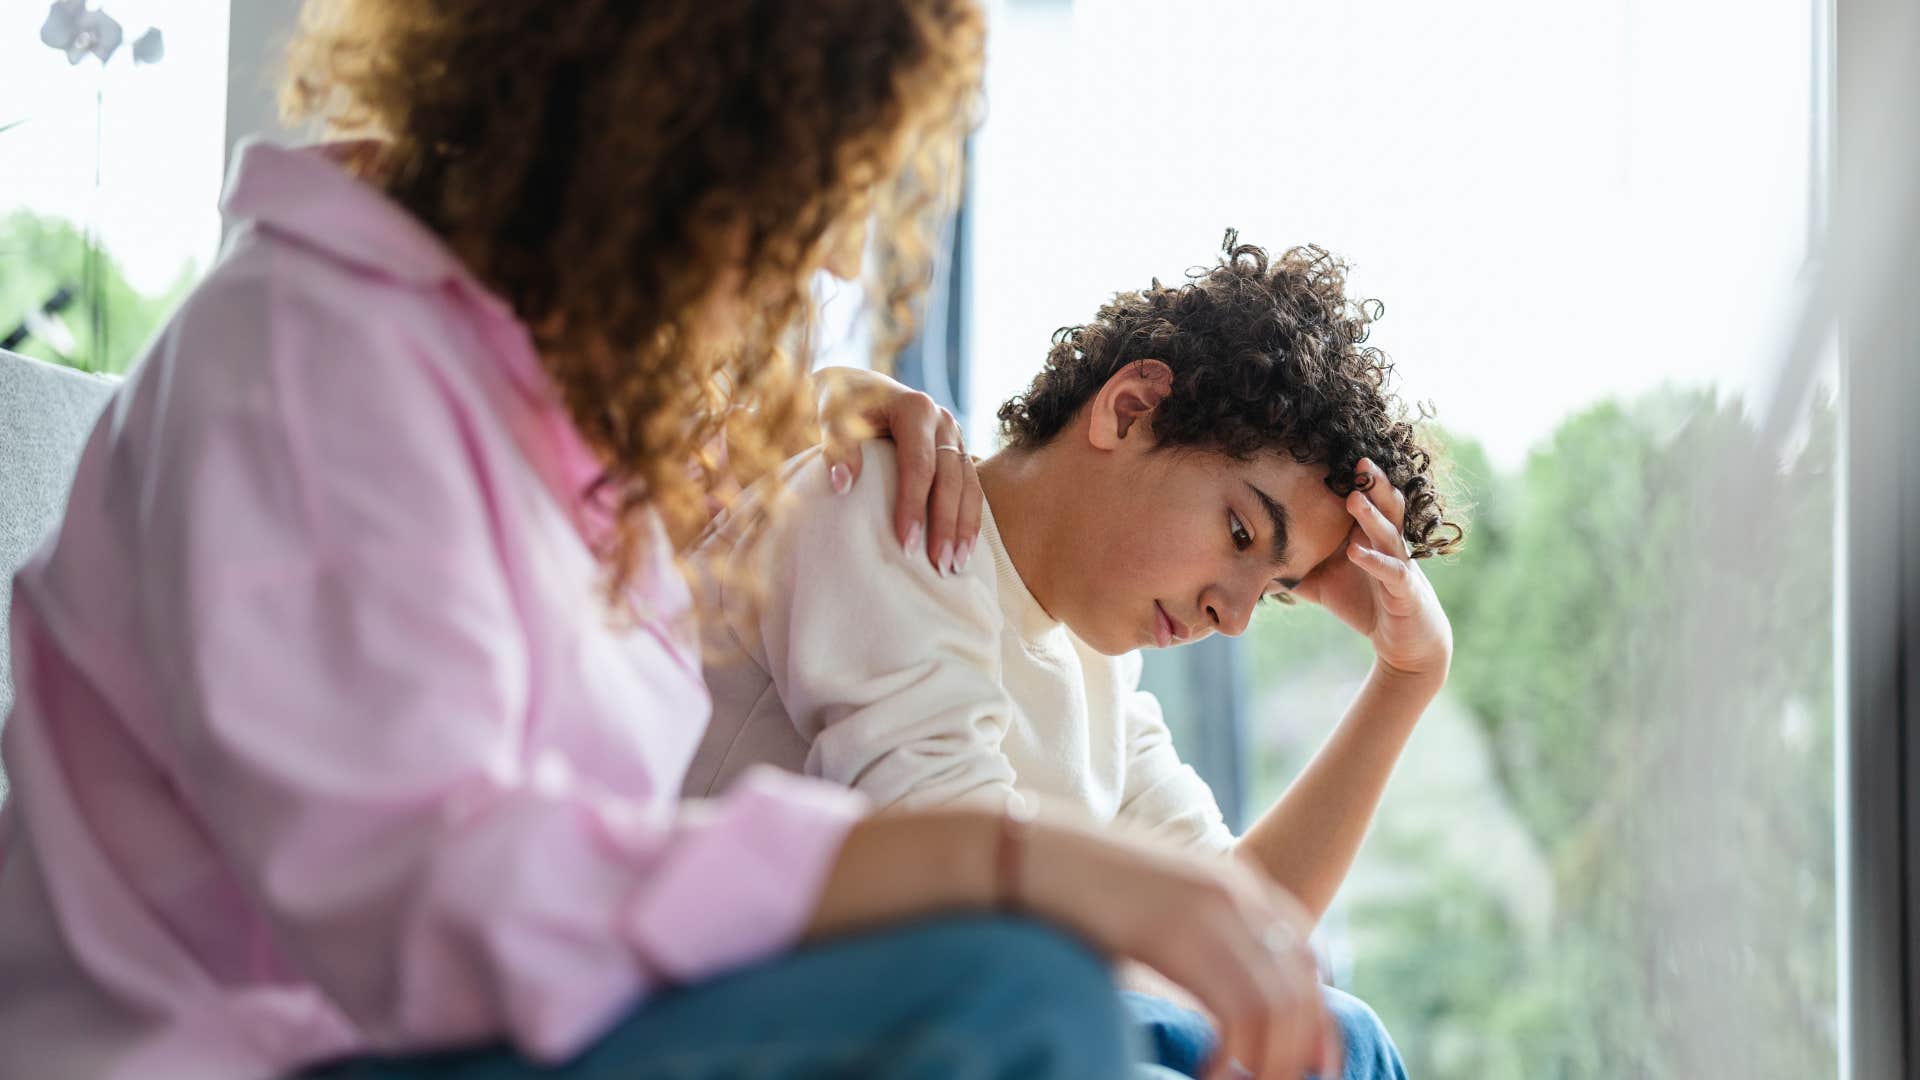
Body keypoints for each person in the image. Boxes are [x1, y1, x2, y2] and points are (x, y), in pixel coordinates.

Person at [0, 3, 1346, 1078]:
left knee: (1308, 1041)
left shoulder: (561, 431)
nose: (816, 274)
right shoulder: (310, 355)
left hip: (472, 1024)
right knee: (1007, 1004)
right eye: (794, 210)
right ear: (661, 147)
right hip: (256, 1045)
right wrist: (1006, 862)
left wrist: (758, 421)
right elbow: (433, 903)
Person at [690, 234, 1463, 1077]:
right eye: (1240, 533)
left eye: (1273, 588)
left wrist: (1406, 679)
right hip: (756, 1023)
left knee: (1341, 1038)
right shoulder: (891, 498)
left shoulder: (1100, 670)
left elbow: (1242, 929)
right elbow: (967, 925)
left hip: (957, 1018)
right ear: (1129, 411)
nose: (1232, 616)